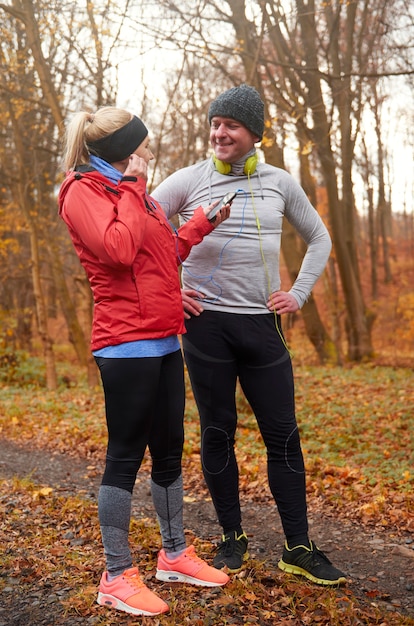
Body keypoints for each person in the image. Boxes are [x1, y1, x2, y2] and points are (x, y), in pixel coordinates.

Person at [152, 84, 347, 586]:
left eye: (231, 125)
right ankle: (231, 537)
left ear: (255, 134)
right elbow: (142, 238)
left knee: (283, 436)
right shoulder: (187, 179)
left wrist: (299, 293)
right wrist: (173, 292)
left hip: (263, 326)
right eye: (215, 123)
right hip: (206, 327)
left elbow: (320, 236)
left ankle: (298, 547)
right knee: (218, 433)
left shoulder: (280, 182)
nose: (219, 132)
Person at [58, 106, 231, 618]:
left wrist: (199, 226)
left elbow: (158, 256)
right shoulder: (83, 193)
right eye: (140, 147)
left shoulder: (133, 195)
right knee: (125, 456)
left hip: (164, 339)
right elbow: (117, 250)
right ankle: (116, 575)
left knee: (171, 451)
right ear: (123, 152)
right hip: (124, 342)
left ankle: (174, 555)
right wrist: (134, 188)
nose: (148, 153)